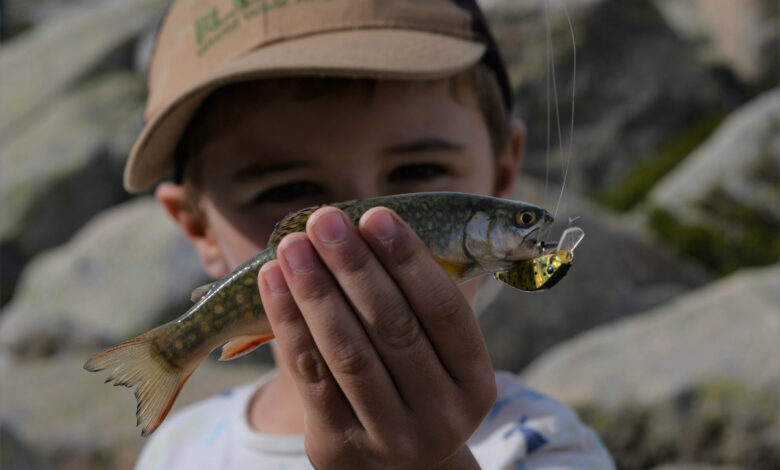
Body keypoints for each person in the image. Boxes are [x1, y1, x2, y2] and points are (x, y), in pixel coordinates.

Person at [128, 0, 614, 468]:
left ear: (504, 173)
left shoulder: (544, 444)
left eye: (419, 170)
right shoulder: (174, 454)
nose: (360, 227)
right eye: (294, 189)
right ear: (197, 228)